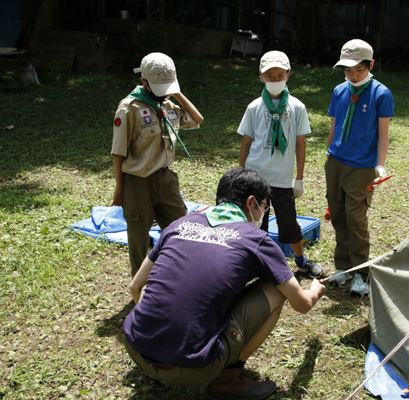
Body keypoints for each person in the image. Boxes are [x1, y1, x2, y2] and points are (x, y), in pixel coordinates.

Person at [123, 167, 326, 400]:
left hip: (137, 350)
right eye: (264, 207)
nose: (263, 214)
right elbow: (301, 304)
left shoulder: (179, 225)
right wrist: (314, 290)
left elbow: (135, 287)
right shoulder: (256, 240)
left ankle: (159, 350)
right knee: (275, 289)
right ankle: (229, 379)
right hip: (192, 369)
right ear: (252, 203)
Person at [111, 52, 204, 277]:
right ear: (143, 81)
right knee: (138, 240)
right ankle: (140, 290)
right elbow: (118, 153)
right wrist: (120, 189)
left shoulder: (169, 104)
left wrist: (177, 93)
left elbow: (197, 119)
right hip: (138, 183)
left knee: (182, 230)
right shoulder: (129, 108)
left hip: (166, 179)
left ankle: (182, 279)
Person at [238, 50, 324, 278]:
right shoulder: (254, 107)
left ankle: (301, 260)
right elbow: (246, 142)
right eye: (270, 75)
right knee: (257, 224)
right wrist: (241, 172)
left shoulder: (297, 107)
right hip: (256, 176)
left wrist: (300, 177)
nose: (275, 79)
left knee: (289, 223)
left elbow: (300, 143)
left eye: (279, 75)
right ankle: (257, 264)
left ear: (288, 74)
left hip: (282, 179)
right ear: (261, 77)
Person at [325, 39, 394, 295]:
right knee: (338, 214)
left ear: (371, 65)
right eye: (347, 70)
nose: (352, 76)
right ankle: (342, 267)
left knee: (356, 218)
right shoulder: (339, 90)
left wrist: (379, 164)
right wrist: (329, 154)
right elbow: (334, 125)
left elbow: (384, 133)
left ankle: (361, 274)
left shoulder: (381, 94)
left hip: (362, 167)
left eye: (358, 70)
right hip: (336, 162)